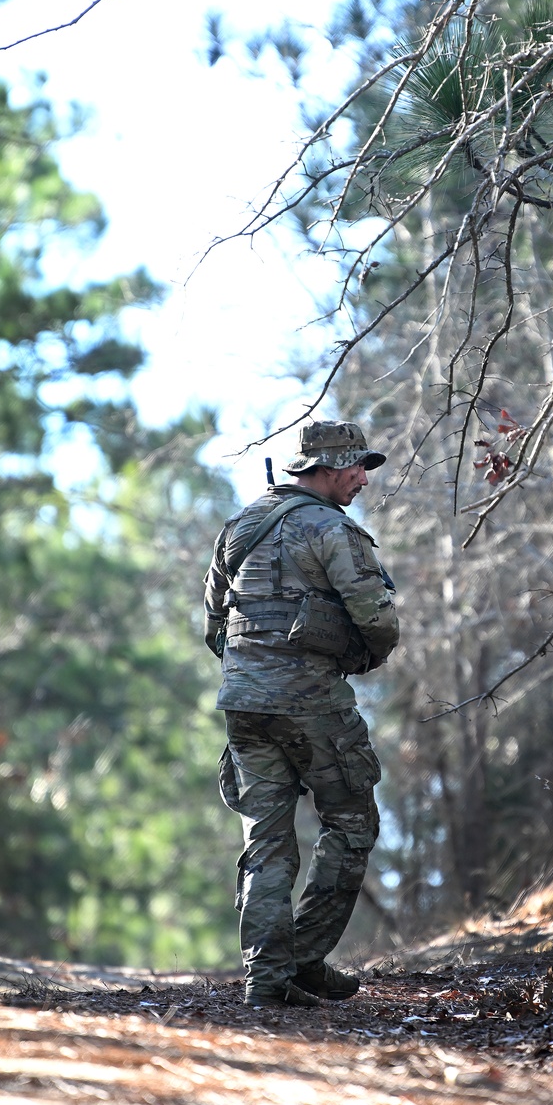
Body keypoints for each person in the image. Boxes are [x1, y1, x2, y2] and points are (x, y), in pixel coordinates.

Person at [203, 420, 400, 1009]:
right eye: (358, 466)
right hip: (312, 702)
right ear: (330, 466)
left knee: (265, 843)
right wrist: (359, 656)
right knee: (352, 822)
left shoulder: (239, 528)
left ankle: (266, 981)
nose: (364, 478)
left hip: (243, 705)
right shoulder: (332, 531)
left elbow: (215, 624)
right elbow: (379, 621)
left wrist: (254, 671)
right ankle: (304, 961)